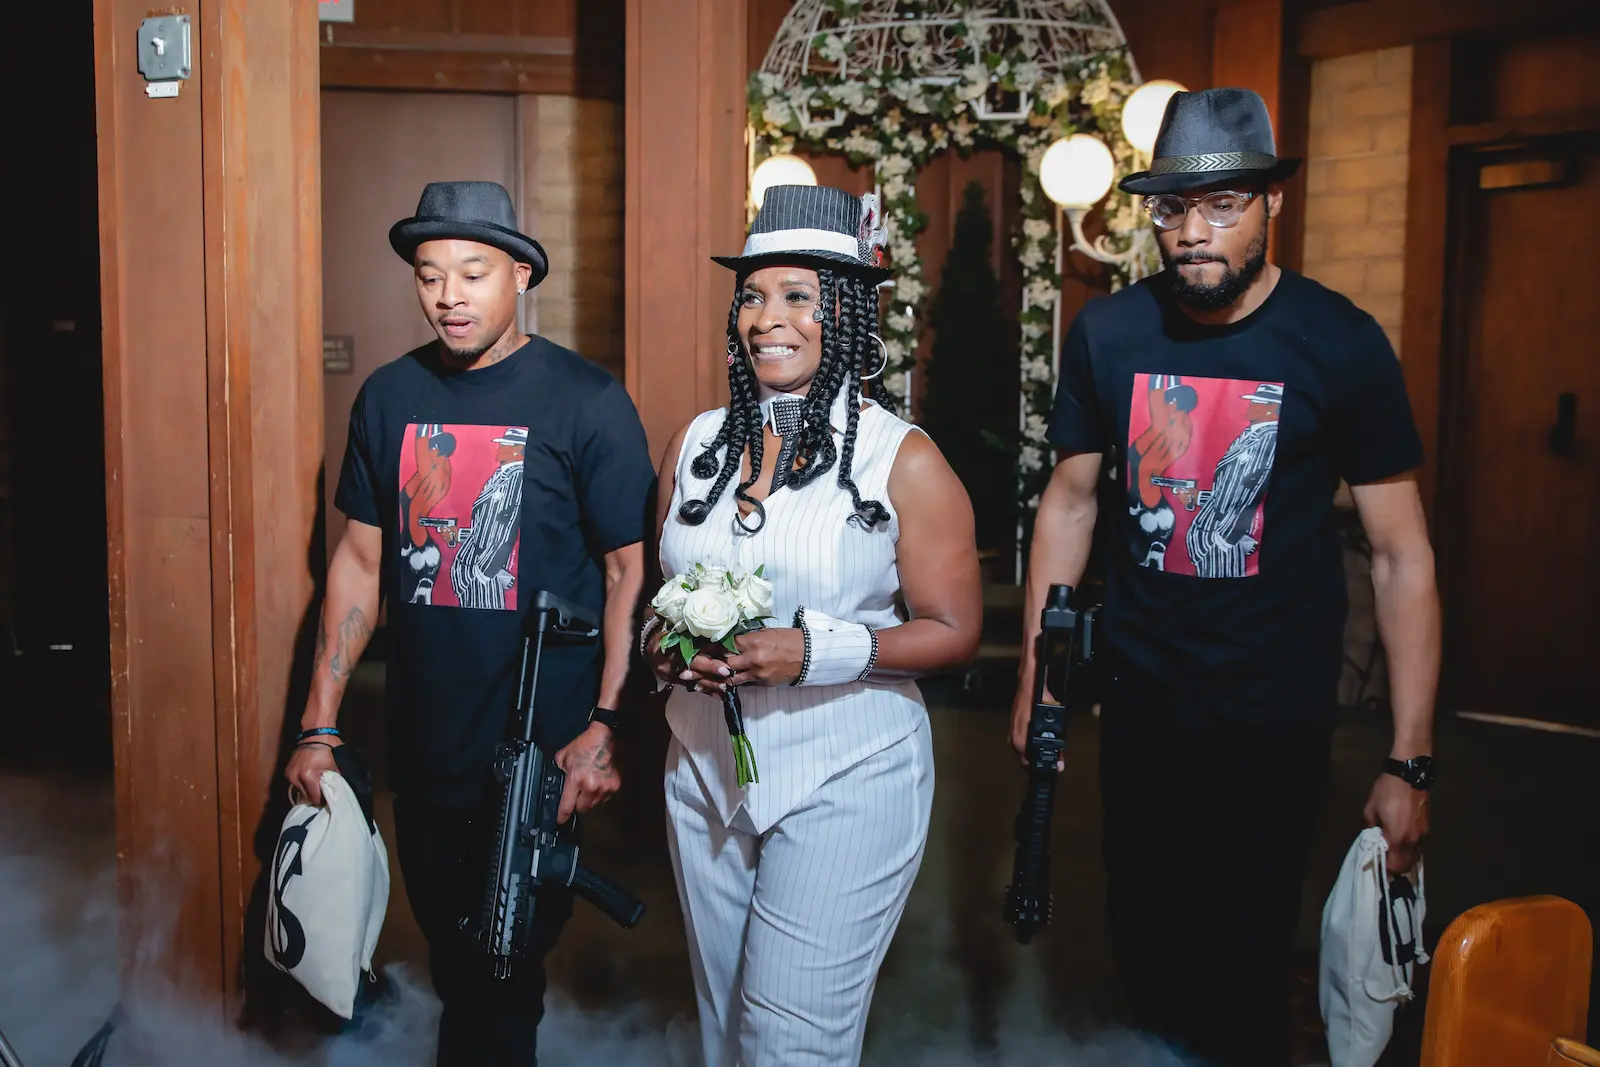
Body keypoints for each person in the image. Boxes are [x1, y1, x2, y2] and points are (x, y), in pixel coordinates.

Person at [1013, 89, 1441, 1067]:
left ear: (1270, 205)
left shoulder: (1337, 341)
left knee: (1242, 965)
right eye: (1172, 209)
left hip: (1271, 709)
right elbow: (1070, 504)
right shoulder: (1111, 333)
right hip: (1139, 698)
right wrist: (1041, 678)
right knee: (1142, 944)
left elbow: (1399, 552)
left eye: (1222, 205)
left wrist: (1408, 756)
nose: (1193, 232)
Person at [284, 181, 654, 1066]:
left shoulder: (589, 400)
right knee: (461, 968)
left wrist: (605, 726)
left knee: (501, 975)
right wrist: (318, 723)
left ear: (521, 274)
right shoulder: (386, 396)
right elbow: (360, 565)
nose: (449, 294)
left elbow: (628, 572)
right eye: (430, 274)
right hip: (426, 744)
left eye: (473, 272)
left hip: (540, 753)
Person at [646, 184, 982, 1066]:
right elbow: (661, 595)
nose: (768, 318)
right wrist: (670, 651)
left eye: (798, 296)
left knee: (789, 1041)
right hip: (705, 774)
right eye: (753, 295)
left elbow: (954, 629)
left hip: (849, 770)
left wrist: (813, 650)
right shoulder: (696, 443)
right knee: (726, 1035)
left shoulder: (900, 457)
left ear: (846, 311)